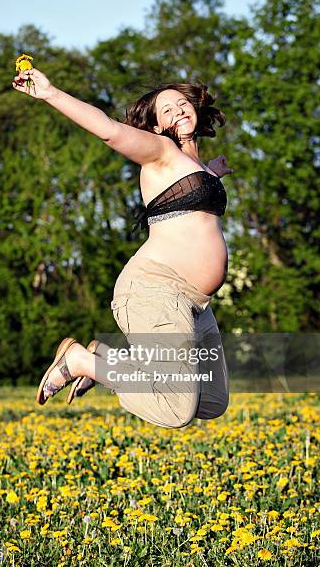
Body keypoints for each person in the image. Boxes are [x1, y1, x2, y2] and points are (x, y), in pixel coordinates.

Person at [12, 67, 232, 428]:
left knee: (211, 401)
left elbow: (191, 194)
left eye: (182, 103)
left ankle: (105, 359)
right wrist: (51, 92)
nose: (177, 110)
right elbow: (109, 130)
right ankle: (82, 362)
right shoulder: (160, 151)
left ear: (195, 108)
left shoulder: (195, 168)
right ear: (158, 126)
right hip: (156, 290)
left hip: (195, 304)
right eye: (166, 109)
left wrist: (213, 172)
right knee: (175, 410)